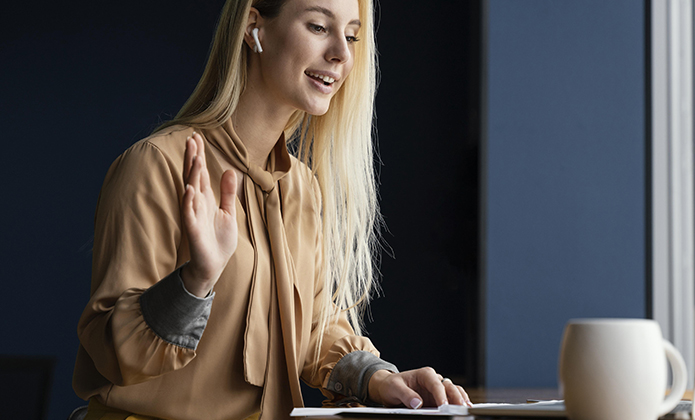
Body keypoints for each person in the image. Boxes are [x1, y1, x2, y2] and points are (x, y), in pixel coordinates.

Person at [72, 0, 471, 419]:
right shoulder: (158, 164)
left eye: (351, 36)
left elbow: (312, 326)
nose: (342, 53)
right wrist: (196, 280)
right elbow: (112, 353)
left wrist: (378, 377)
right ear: (253, 27)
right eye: (319, 27)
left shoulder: (301, 188)